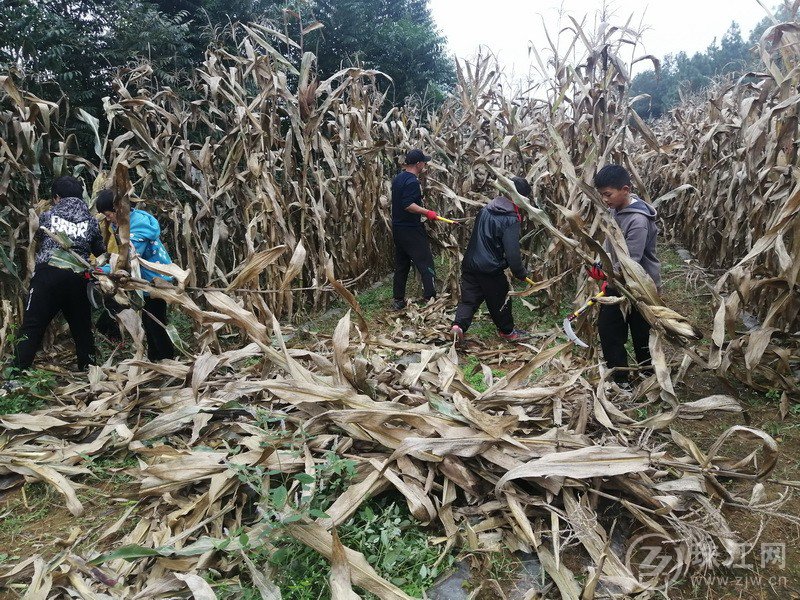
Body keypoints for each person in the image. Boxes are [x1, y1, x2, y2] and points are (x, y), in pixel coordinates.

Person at [11, 176, 105, 373]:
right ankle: (89, 370)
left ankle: (16, 372)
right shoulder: (91, 221)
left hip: (48, 274)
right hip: (77, 277)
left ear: (56, 197)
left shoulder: (47, 215)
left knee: (32, 326)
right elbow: (99, 251)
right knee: (81, 328)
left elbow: (35, 235)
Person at [589, 164, 661, 385]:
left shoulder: (638, 221)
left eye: (608, 194)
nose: (605, 199)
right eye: (601, 195)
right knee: (609, 329)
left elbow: (632, 261)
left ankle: (648, 374)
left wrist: (607, 274)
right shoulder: (615, 210)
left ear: (625, 189)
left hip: (639, 283)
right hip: (617, 281)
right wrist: (600, 261)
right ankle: (619, 378)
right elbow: (610, 243)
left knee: (641, 332)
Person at [95, 190, 176, 361]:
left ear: (119, 209)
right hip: (148, 279)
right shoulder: (131, 221)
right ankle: (157, 359)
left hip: (155, 280)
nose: (107, 218)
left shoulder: (136, 228)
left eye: (108, 214)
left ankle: (167, 360)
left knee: (156, 323)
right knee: (149, 321)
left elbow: (128, 261)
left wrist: (103, 271)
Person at [451, 176, 531, 344]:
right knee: (500, 301)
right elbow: (512, 253)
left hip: (470, 262)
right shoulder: (510, 218)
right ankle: (507, 332)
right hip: (490, 267)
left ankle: (458, 327)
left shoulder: (487, 209)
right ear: (520, 197)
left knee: (469, 299)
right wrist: (520, 272)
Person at [391, 149, 438, 310]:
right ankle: (430, 297)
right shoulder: (412, 182)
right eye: (424, 162)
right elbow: (408, 205)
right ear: (418, 164)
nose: (425, 164)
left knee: (402, 263)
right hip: (410, 228)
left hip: (398, 228)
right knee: (425, 261)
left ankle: (398, 299)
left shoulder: (398, 178)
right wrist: (428, 213)